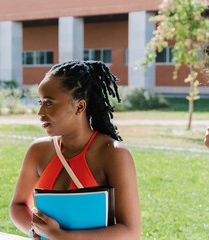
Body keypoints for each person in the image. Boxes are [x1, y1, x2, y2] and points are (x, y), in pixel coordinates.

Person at [10, 60, 141, 240]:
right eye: (39, 102)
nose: (40, 112)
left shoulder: (113, 153)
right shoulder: (38, 151)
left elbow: (131, 232)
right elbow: (17, 205)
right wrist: (36, 231)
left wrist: (61, 236)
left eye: (49, 103)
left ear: (79, 106)